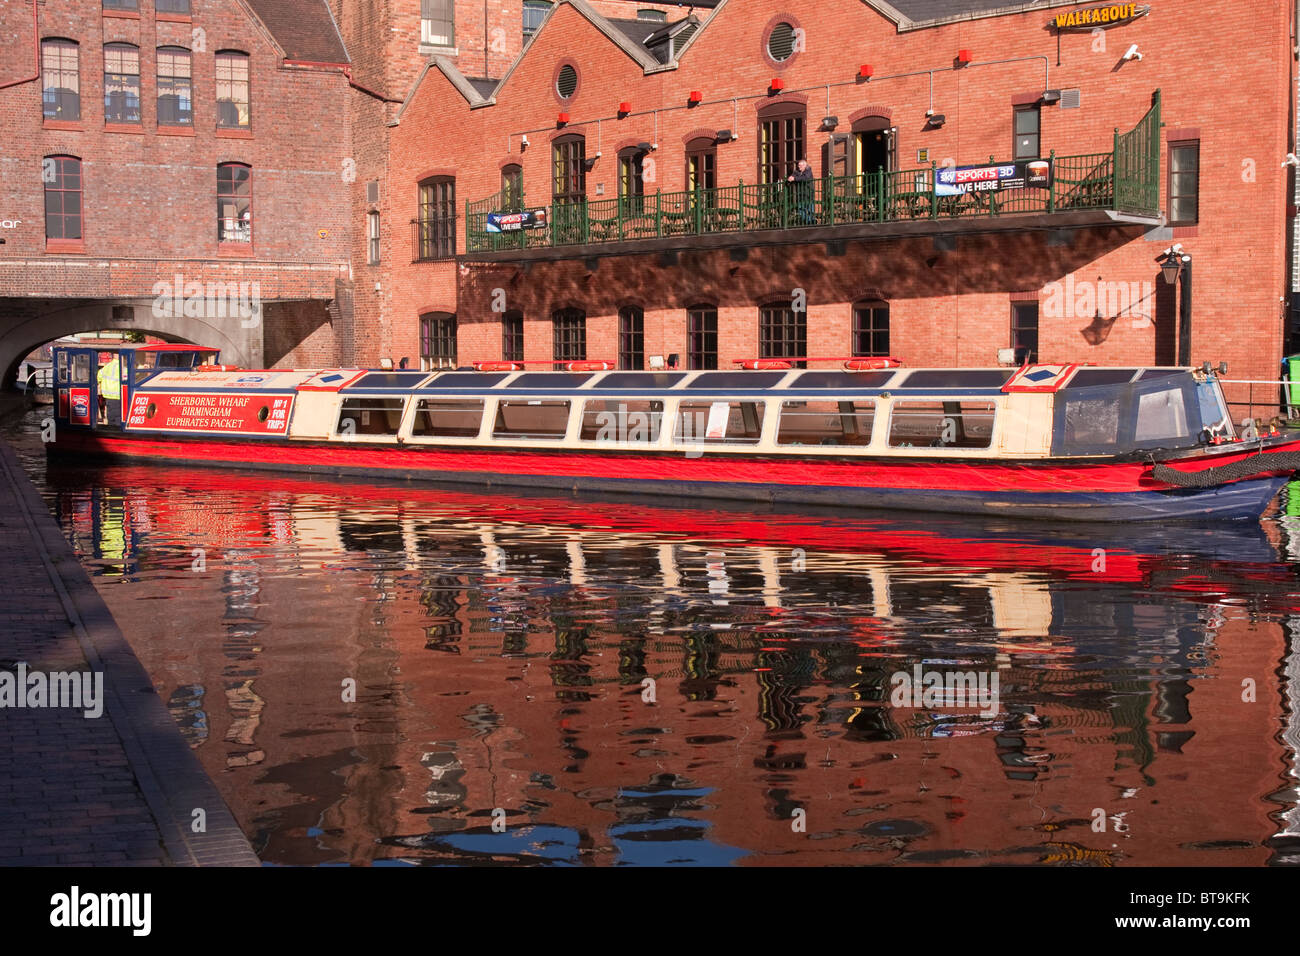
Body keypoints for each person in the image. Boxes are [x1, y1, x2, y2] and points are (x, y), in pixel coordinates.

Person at [786, 158, 816, 224]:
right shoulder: (796, 172)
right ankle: (805, 222)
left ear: (805, 165)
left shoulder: (808, 171)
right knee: (801, 210)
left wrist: (794, 178)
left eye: (800, 165)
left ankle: (811, 222)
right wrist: (789, 179)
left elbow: (805, 178)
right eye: (798, 165)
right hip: (800, 194)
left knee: (810, 209)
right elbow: (792, 178)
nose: (799, 167)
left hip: (808, 193)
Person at [97, 353, 121, 425]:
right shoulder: (123, 367)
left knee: (111, 417)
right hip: (119, 397)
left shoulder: (105, 367)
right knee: (118, 418)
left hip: (108, 398)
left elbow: (98, 378)